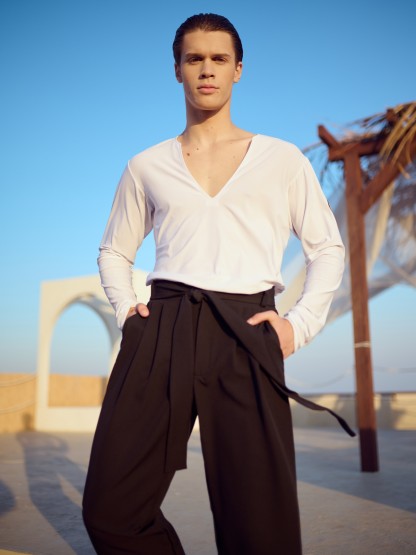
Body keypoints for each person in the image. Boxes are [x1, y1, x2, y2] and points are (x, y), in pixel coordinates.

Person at [82, 13, 354, 555]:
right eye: (194, 59)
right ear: (177, 70)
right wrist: (127, 310)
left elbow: (327, 248)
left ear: (237, 70)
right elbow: (114, 250)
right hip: (162, 327)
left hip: (246, 329)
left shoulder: (281, 159)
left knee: (259, 524)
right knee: (110, 507)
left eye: (219, 59)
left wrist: (297, 326)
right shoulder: (145, 165)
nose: (207, 70)